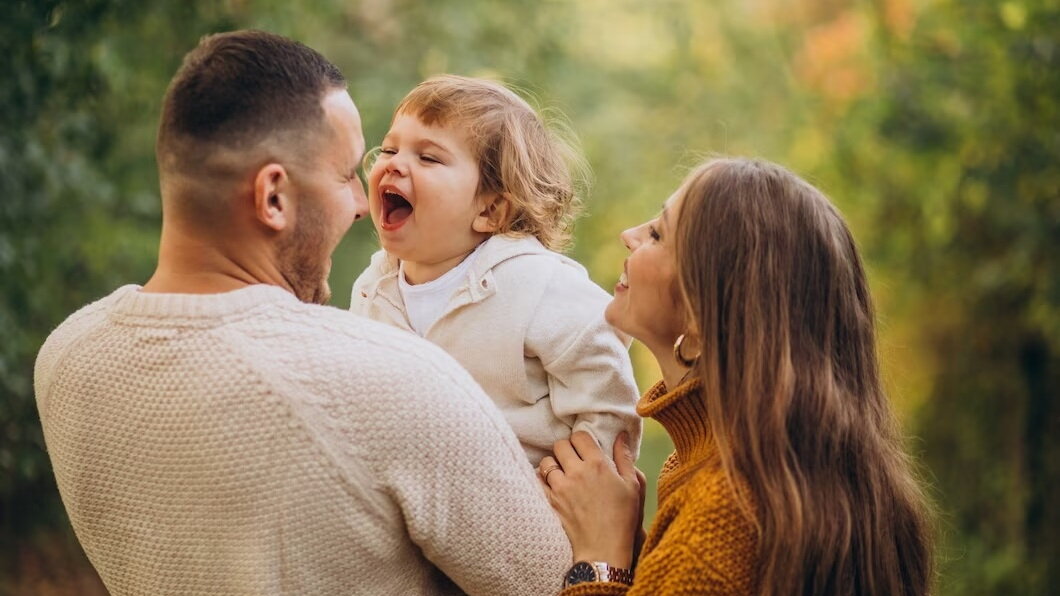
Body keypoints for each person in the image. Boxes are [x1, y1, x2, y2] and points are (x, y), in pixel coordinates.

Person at [33, 30, 571, 595]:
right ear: (273, 197)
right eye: (345, 176)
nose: (362, 204)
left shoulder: (66, 357)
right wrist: (606, 553)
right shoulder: (396, 384)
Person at [538, 158, 935, 595]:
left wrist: (601, 561)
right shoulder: (776, 471)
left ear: (701, 316)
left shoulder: (722, 510)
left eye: (657, 234)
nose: (629, 236)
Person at [351, 75, 641, 465]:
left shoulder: (536, 283)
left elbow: (605, 386)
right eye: (388, 149)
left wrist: (580, 485)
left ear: (490, 211)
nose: (394, 165)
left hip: (522, 505)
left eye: (428, 157)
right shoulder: (373, 288)